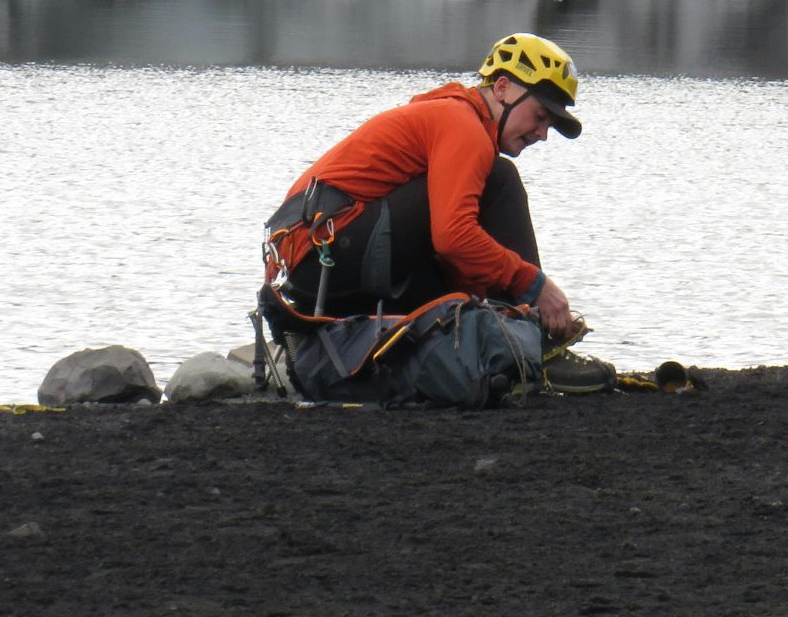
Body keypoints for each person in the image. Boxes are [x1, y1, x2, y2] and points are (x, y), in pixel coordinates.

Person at [258, 32, 613, 391]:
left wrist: (481, 305)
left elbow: (452, 249)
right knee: (499, 179)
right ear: (502, 88)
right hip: (324, 257)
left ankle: (512, 341)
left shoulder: (449, 117)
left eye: (549, 125)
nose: (542, 134)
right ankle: (537, 345)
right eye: (539, 116)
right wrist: (535, 287)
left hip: (312, 269)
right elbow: (453, 237)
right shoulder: (464, 126)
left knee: (461, 253)